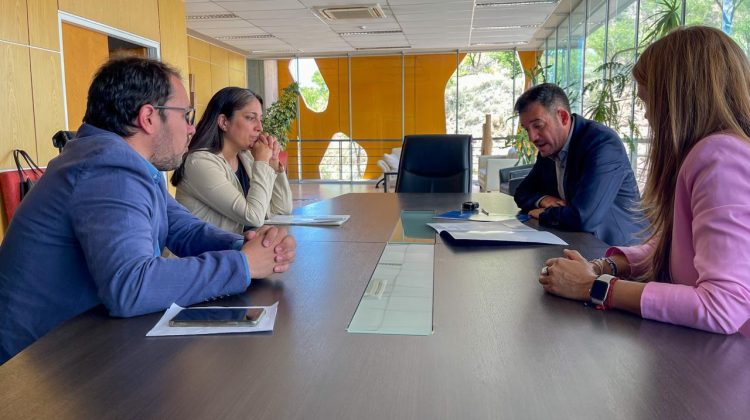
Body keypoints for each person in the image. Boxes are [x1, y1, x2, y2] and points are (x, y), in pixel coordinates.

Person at [0, 57, 297, 363]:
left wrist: (246, 245)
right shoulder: (107, 168)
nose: (192, 128)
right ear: (148, 118)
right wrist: (242, 265)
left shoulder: (125, 164)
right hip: (28, 369)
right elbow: (132, 286)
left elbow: (183, 228)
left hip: (70, 348)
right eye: (186, 115)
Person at [539, 26, 750, 335]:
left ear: (676, 99)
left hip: (722, 368)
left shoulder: (721, 158)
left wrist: (595, 287)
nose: (648, 116)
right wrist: (603, 267)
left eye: (648, 101)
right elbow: (675, 245)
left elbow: (723, 306)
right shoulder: (718, 151)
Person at [513, 83, 644, 246]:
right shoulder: (550, 148)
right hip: (578, 243)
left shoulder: (602, 144)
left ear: (563, 117)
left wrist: (546, 213)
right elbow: (522, 192)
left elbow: (584, 217)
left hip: (619, 253)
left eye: (538, 126)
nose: (532, 137)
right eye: (527, 129)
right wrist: (544, 199)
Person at [172, 87, 292, 233]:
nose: (259, 127)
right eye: (250, 118)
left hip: (240, 252)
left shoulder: (246, 158)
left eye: (260, 119)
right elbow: (253, 217)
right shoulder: (199, 163)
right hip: (205, 255)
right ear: (224, 122)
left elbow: (282, 209)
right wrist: (261, 163)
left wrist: (273, 166)